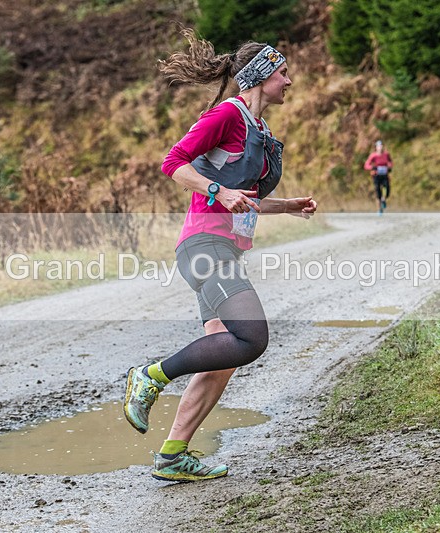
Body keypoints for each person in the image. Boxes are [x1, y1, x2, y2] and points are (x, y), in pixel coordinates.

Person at [122, 30, 317, 482]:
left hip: (222, 247)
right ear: (261, 75)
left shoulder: (259, 129)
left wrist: (287, 206)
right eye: (283, 73)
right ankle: (149, 375)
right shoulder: (226, 115)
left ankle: (173, 455)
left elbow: (242, 198)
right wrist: (218, 190)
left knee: (223, 356)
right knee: (252, 338)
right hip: (203, 246)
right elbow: (173, 162)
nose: (290, 82)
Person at [364, 140, 392, 215]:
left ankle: (384, 199)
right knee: (378, 192)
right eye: (379, 146)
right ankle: (379, 209)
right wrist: (372, 167)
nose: (380, 147)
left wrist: (389, 167)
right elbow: (366, 165)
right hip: (376, 175)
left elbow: (390, 162)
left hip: (385, 175)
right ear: (376, 147)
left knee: (387, 189)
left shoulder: (386, 154)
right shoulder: (373, 156)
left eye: (382, 146)